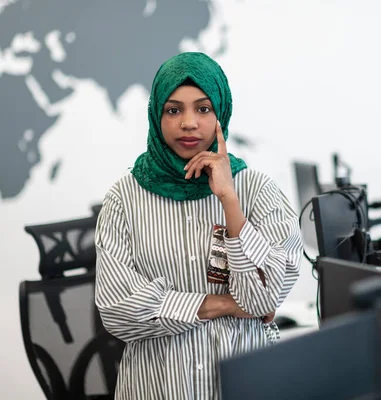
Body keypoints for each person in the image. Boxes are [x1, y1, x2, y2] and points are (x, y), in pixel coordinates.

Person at [94, 52, 303, 399]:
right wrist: (222, 304)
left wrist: (229, 201)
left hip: (245, 382)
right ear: (156, 115)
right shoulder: (124, 198)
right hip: (156, 387)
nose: (188, 123)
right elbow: (119, 311)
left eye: (203, 109)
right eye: (173, 110)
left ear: (220, 111)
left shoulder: (257, 189)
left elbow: (264, 296)